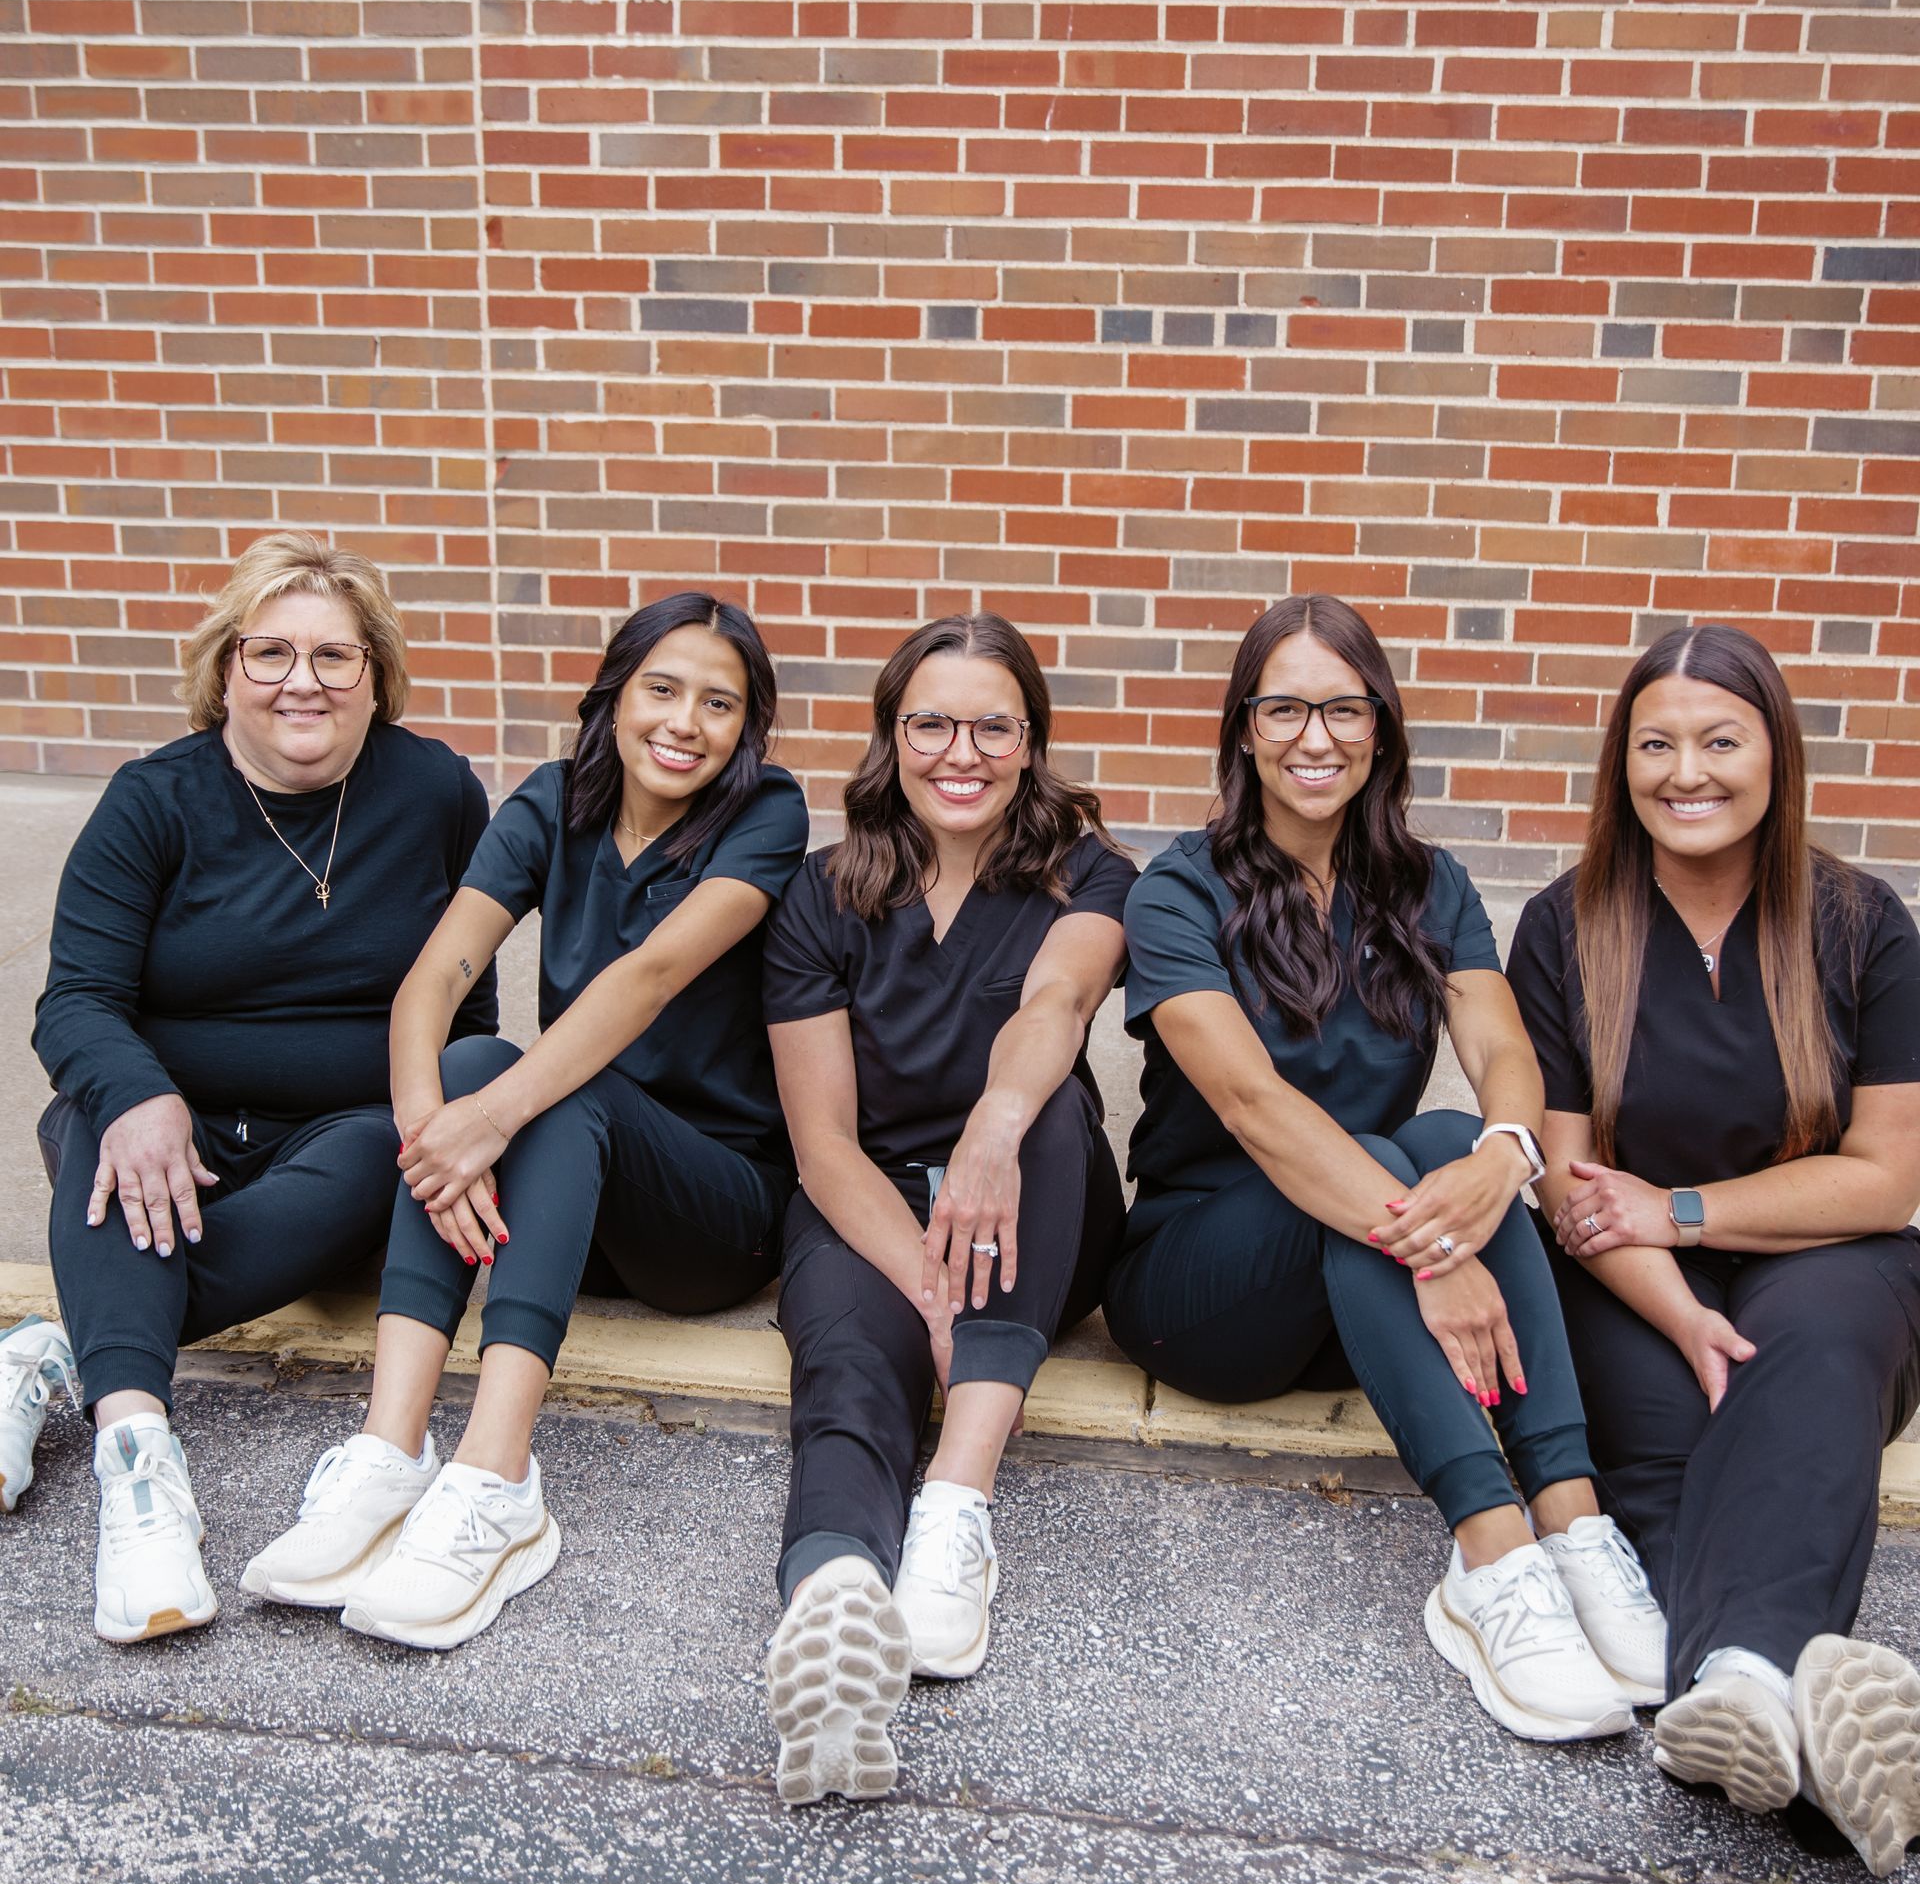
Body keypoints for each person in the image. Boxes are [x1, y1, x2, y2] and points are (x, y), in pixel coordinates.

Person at [1104, 595, 1667, 1748]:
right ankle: (1490, 1561)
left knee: (1460, 1142)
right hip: (1201, 1283)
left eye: (1344, 708)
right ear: (1245, 729)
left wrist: (1509, 1153)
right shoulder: (1175, 888)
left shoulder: (1429, 882)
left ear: (1381, 727)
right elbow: (1258, 1110)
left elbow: (1504, 1050)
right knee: (1373, 1148)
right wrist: (1440, 1249)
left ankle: (1571, 1520)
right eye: (1285, 708)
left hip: (1364, 1270)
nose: (1316, 737)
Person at [242, 594, 808, 1651]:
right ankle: (389, 1451)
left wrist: (489, 1117)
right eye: (662, 689)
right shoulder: (553, 802)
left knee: (545, 1081)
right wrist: (433, 1135)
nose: (685, 722)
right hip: (569, 1201)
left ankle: (499, 1480)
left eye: (719, 704)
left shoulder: (767, 816)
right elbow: (432, 980)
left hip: (711, 1215)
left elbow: (651, 976)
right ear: (613, 697)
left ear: (748, 729)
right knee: (464, 1058)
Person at [23, 532, 495, 1641]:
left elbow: (467, 1016)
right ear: (223, 668)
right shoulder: (154, 802)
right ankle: (139, 1475)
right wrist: (139, 1096)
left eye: (335, 657)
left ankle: (67, 1349)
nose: (302, 682)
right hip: (167, 1133)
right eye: (268, 652)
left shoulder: (434, 792)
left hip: (345, 1133)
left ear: (375, 673)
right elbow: (75, 1000)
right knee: (103, 1142)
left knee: (383, 1157)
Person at [1507, 624, 1920, 1876]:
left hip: (1828, 1254)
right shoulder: (1565, 927)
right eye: (1656, 745)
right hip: (1631, 1285)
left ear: (1776, 756)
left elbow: (1889, 1175)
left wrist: (1682, 1211)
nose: (1687, 771)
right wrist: (1680, 1308)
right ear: (1620, 766)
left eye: (1720, 740)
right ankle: (1787, 1719)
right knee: (1685, 1448)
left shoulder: (1860, 923)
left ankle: (1742, 1675)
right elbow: (1579, 1195)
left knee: (1815, 1352)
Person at [758, 613, 1134, 1805]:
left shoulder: (1091, 872)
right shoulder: (821, 897)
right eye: (929, 722)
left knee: (1052, 1118)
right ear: (891, 736)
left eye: (991, 725)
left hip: (1040, 1202)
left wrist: (991, 1127)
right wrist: (929, 1287)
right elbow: (822, 1145)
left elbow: (1059, 1002)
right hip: (869, 1201)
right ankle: (832, 1605)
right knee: (847, 1369)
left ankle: (955, 1512)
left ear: (1030, 744)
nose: (957, 751)